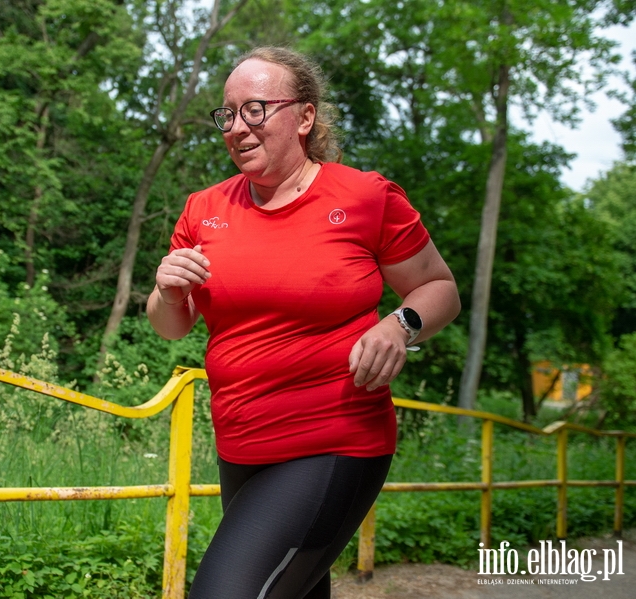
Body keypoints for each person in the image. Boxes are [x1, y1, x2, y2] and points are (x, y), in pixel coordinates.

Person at [147, 46, 461, 599]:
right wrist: (168, 289)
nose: (237, 127)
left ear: (305, 117)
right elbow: (172, 326)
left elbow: (440, 288)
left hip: (334, 438)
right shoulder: (203, 208)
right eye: (228, 114)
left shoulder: (365, 197)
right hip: (240, 443)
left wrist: (399, 324)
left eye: (255, 110)